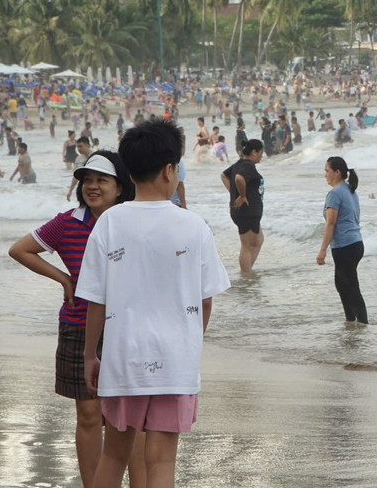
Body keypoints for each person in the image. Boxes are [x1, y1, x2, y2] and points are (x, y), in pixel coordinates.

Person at [76, 119, 231, 488]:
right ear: (169, 170)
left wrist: (89, 355)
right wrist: (190, 342)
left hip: (123, 357)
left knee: (114, 456)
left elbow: (96, 300)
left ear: (128, 172)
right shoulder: (194, 226)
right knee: (162, 462)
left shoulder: (109, 223)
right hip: (175, 360)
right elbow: (204, 299)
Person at [9, 150, 143, 488]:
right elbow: (19, 249)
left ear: (120, 186)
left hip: (128, 328)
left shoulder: (134, 221)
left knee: (130, 417)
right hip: (79, 324)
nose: (92, 187)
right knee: (88, 415)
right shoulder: (68, 222)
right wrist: (64, 278)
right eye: (87, 180)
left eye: (101, 180)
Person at [316, 156, 367, 324]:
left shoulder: (335, 193)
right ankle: (351, 322)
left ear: (337, 173)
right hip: (356, 243)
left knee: (350, 286)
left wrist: (322, 250)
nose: (325, 175)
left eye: (327, 171)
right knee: (343, 285)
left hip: (345, 246)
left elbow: (331, 223)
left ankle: (362, 324)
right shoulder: (350, 191)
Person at [221, 140, 265, 274]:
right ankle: (246, 276)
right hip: (246, 212)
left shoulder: (239, 164)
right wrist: (241, 195)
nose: (261, 156)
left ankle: (247, 271)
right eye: (261, 153)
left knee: (258, 240)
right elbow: (239, 178)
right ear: (254, 152)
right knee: (246, 245)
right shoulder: (248, 166)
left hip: (246, 212)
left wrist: (234, 193)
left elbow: (224, 176)